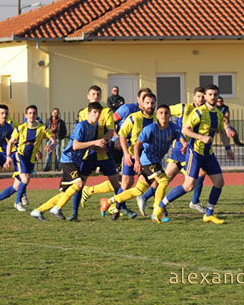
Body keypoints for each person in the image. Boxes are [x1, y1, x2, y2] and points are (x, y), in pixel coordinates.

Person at [154, 84, 234, 224]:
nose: (213, 97)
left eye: (215, 94)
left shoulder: (219, 113)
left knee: (219, 182)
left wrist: (228, 148)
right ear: (206, 96)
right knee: (188, 186)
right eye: (210, 94)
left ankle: (209, 213)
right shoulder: (199, 112)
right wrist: (201, 137)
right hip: (195, 153)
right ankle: (160, 206)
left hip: (208, 154)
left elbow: (221, 131)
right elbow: (185, 130)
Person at [136, 86, 208, 218]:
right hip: (181, 149)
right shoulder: (183, 108)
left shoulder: (205, 112)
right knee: (198, 174)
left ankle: (145, 197)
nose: (201, 99)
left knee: (165, 178)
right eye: (199, 96)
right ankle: (194, 201)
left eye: (203, 96)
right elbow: (164, 112)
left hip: (190, 148)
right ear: (193, 97)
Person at [100, 103, 179, 219]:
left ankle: (108, 202)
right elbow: (135, 144)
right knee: (163, 181)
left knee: (138, 190)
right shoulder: (149, 127)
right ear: (157, 115)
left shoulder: (172, 127)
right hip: (146, 160)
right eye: (161, 113)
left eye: (166, 113)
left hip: (153, 161)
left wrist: (183, 144)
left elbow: (181, 136)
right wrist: (135, 160)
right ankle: (157, 212)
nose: (164, 115)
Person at [31, 102, 107, 220]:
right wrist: (94, 143)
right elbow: (76, 146)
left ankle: (38, 211)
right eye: (94, 112)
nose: (96, 115)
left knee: (63, 193)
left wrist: (97, 148)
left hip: (75, 161)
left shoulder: (94, 127)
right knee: (79, 183)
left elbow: (86, 144)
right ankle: (57, 208)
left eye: (99, 113)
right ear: (88, 113)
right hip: (68, 159)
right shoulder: (82, 126)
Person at [0, 105, 55, 211]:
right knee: (25, 178)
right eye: (30, 113)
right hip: (20, 156)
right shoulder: (20, 128)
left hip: (31, 159)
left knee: (16, 186)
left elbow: (53, 139)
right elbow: (10, 143)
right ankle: (18, 202)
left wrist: (51, 144)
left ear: (36, 115)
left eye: (34, 113)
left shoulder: (42, 128)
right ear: (26, 115)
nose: (32, 115)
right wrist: (8, 157)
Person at [71, 85, 121, 221]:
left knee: (115, 183)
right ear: (88, 96)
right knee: (80, 182)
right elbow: (80, 132)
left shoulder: (107, 111)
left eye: (98, 94)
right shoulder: (82, 113)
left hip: (104, 151)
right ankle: (74, 213)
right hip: (89, 153)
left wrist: (102, 142)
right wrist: (94, 145)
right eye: (93, 94)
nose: (96, 96)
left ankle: (119, 209)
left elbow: (111, 131)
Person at [104, 91, 155, 220]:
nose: (148, 104)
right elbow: (112, 122)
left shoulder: (155, 117)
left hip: (147, 157)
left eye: (151, 102)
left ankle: (158, 210)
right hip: (131, 152)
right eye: (145, 100)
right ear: (139, 100)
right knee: (126, 183)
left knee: (157, 181)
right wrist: (117, 140)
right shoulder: (129, 111)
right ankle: (115, 207)